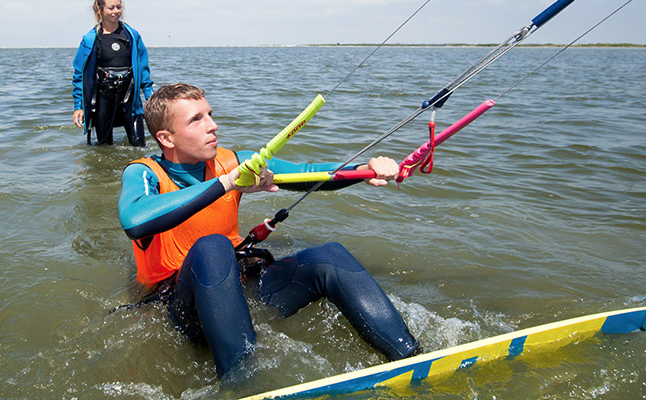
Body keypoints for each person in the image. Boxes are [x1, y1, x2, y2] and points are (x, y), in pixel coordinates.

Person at [117, 83, 420, 377]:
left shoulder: (232, 161)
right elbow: (134, 219)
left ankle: (409, 356)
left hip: (238, 291)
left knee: (329, 256)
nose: (213, 126)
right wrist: (227, 183)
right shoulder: (144, 172)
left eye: (210, 114)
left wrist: (364, 171)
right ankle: (242, 382)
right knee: (213, 246)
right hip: (184, 308)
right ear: (166, 138)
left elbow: (306, 173)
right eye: (196, 119)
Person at [72, 0, 154, 146]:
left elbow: (142, 68)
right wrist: (78, 106)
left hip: (130, 99)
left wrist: (150, 96)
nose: (116, 11)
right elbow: (80, 75)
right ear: (100, 9)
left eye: (118, 7)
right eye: (111, 8)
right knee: (104, 149)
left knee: (139, 146)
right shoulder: (90, 39)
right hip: (103, 99)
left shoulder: (132, 35)